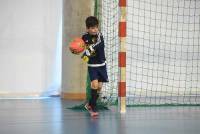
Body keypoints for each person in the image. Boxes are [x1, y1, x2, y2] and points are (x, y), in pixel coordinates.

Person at [81, 16, 108, 117]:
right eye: (92, 28)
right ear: (87, 29)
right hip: (92, 66)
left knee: (99, 87)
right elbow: (80, 46)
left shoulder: (99, 35)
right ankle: (93, 107)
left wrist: (89, 50)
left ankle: (89, 104)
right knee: (95, 85)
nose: (95, 29)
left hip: (102, 65)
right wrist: (77, 50)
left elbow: (100, 45)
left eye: (96, 27)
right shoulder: (84, 36)